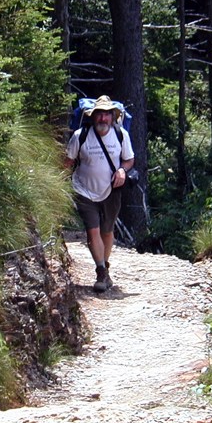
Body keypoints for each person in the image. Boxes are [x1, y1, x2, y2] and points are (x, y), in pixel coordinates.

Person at [65, 95, 135, 292]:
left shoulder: (122, 135)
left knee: (107, 230)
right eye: (99, 115)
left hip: (111, 191)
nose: (103, 119)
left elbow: (129, 160)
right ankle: (101, 271)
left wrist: (122, 170)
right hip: (83, 190)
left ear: (113, 117)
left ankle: (105, 265)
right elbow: (68, 161)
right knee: (92, 230)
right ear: (92, 116)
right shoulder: (81, 135)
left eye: (106, 115)